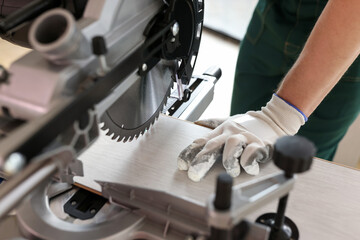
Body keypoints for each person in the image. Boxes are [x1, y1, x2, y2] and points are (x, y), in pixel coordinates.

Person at [178, 0, 360, 182]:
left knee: (295, 178)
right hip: (275, 16)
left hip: (346, 35)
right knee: (236, 151)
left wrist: (279, 118)